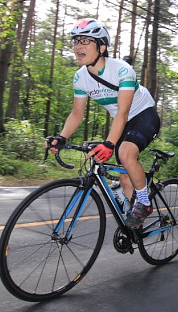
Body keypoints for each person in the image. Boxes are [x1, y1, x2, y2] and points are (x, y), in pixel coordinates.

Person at [47, 18, 161, 228]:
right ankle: (133, 226)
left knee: (125, 153)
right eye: (75, 41)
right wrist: (61, 137)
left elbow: (122, 113)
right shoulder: (80, 78)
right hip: (124, 121)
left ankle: (144, 202)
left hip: (144, 115)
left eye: (85, 41)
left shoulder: (122, 71)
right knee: (124, 176)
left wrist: (109, 144)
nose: (78, 46)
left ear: (101, 46)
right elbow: (76, 114)